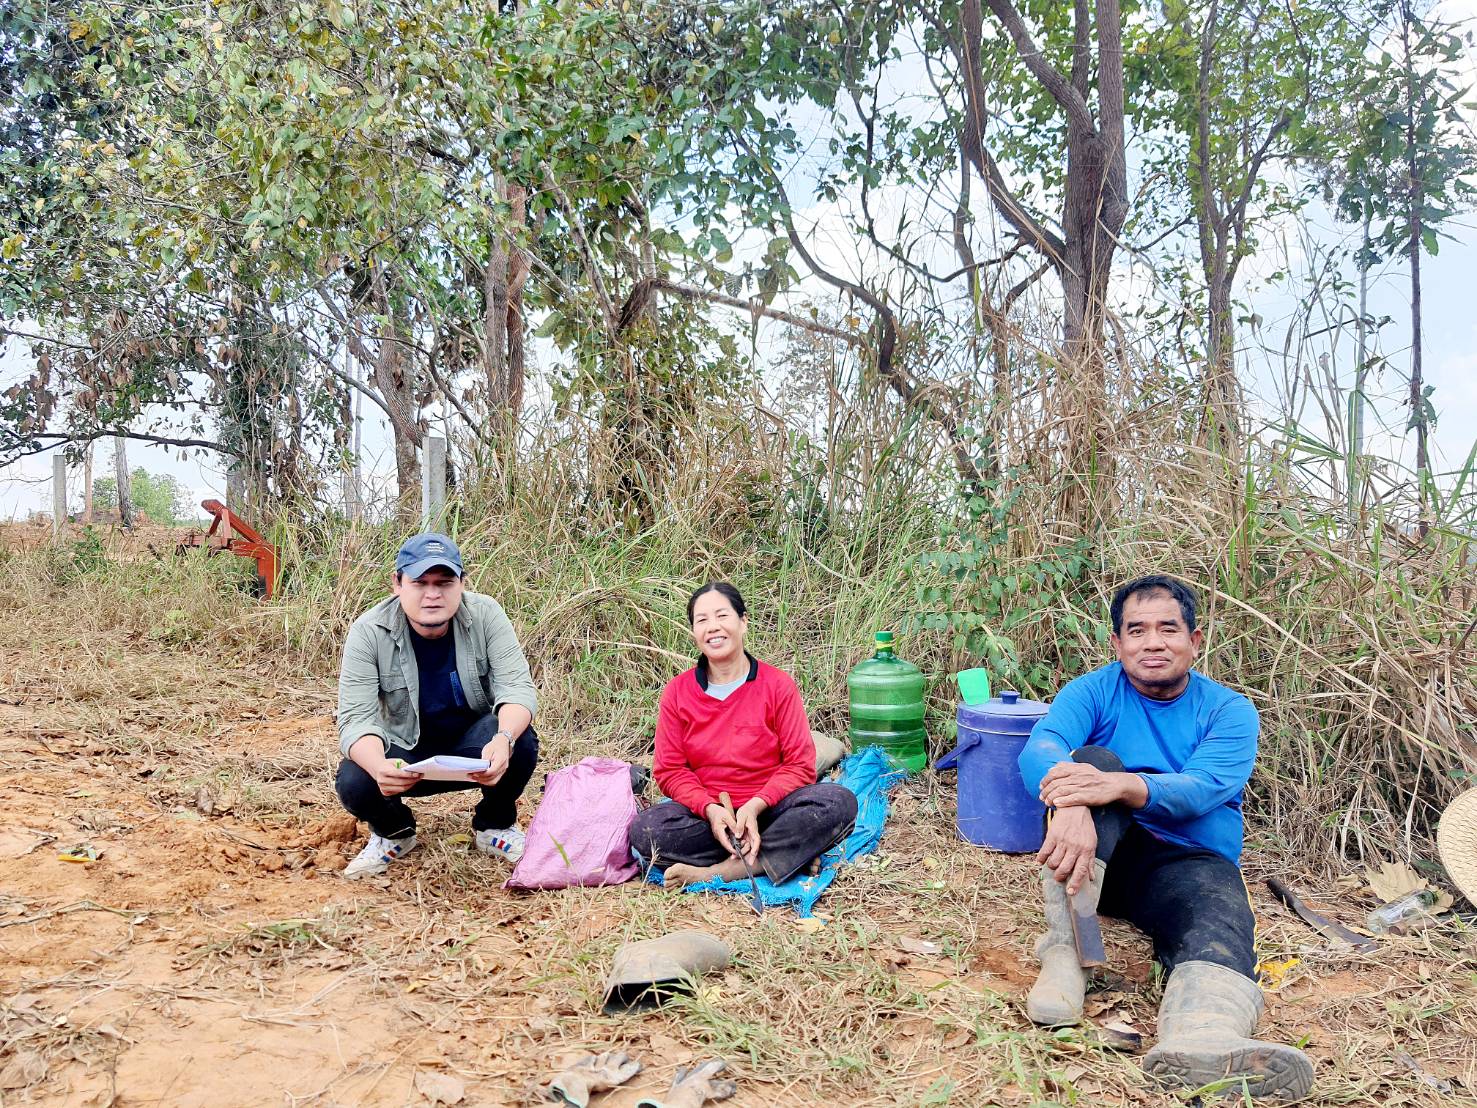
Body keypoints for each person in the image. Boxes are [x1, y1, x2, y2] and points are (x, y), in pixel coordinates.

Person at [1017, 575, 1313, 1102]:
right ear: (1117, 643)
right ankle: (1065, 953)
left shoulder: (1228, 710)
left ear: (1195, 641)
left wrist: (1120, 784)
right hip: (1103, 858)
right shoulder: (1091, 691)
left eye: (1167, 629)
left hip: (1188, 862)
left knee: (1219, 913)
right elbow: (1040, 749)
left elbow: (1201, 789)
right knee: (1089, 764)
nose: (1152, 642)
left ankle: (1203, 1034)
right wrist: (1077, 796)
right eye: (1137, 630)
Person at [333, 533, 539, 879]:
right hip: (405, 756)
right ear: (397, 584)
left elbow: (517, 690)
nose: (432, 594)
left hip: (474, 751)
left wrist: (502, 739)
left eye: (444, 582)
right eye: (420, 582)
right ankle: (394, 834)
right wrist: (379, 766)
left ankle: (495, 826)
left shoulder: (486, 614)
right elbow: (355, 720)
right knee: (355, 779)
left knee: (520, 740)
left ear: (462, 584)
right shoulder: (368, 631)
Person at [629, 582, 857, 887]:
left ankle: (723, 871)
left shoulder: (777, 685)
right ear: (694, 632)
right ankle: (786, 854)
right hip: (708, 819)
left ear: (743, 621)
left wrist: (755, 805)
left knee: (837, 802)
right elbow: (670, 770)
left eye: (722, 616)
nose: (713, 627)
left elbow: (800, 764)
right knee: (646, 829)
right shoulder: (678, 693)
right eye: (702, 620)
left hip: (771, 811)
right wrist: (709, 809)